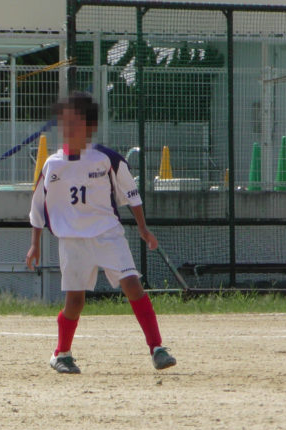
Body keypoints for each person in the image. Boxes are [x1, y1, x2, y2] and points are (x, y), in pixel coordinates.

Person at [25, 91, 176, 374]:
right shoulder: (52, 164)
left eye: (76, 122)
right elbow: (37, 206)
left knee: (132, 285)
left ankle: (157, 348)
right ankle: (61, 354)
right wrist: (35, 244)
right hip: (72, 241)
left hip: (108, 234)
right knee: (75, 302)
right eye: (65, 122)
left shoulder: (107, 159)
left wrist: (143, 228)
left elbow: (131, 194)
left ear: (89, 126)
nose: (69, 128)